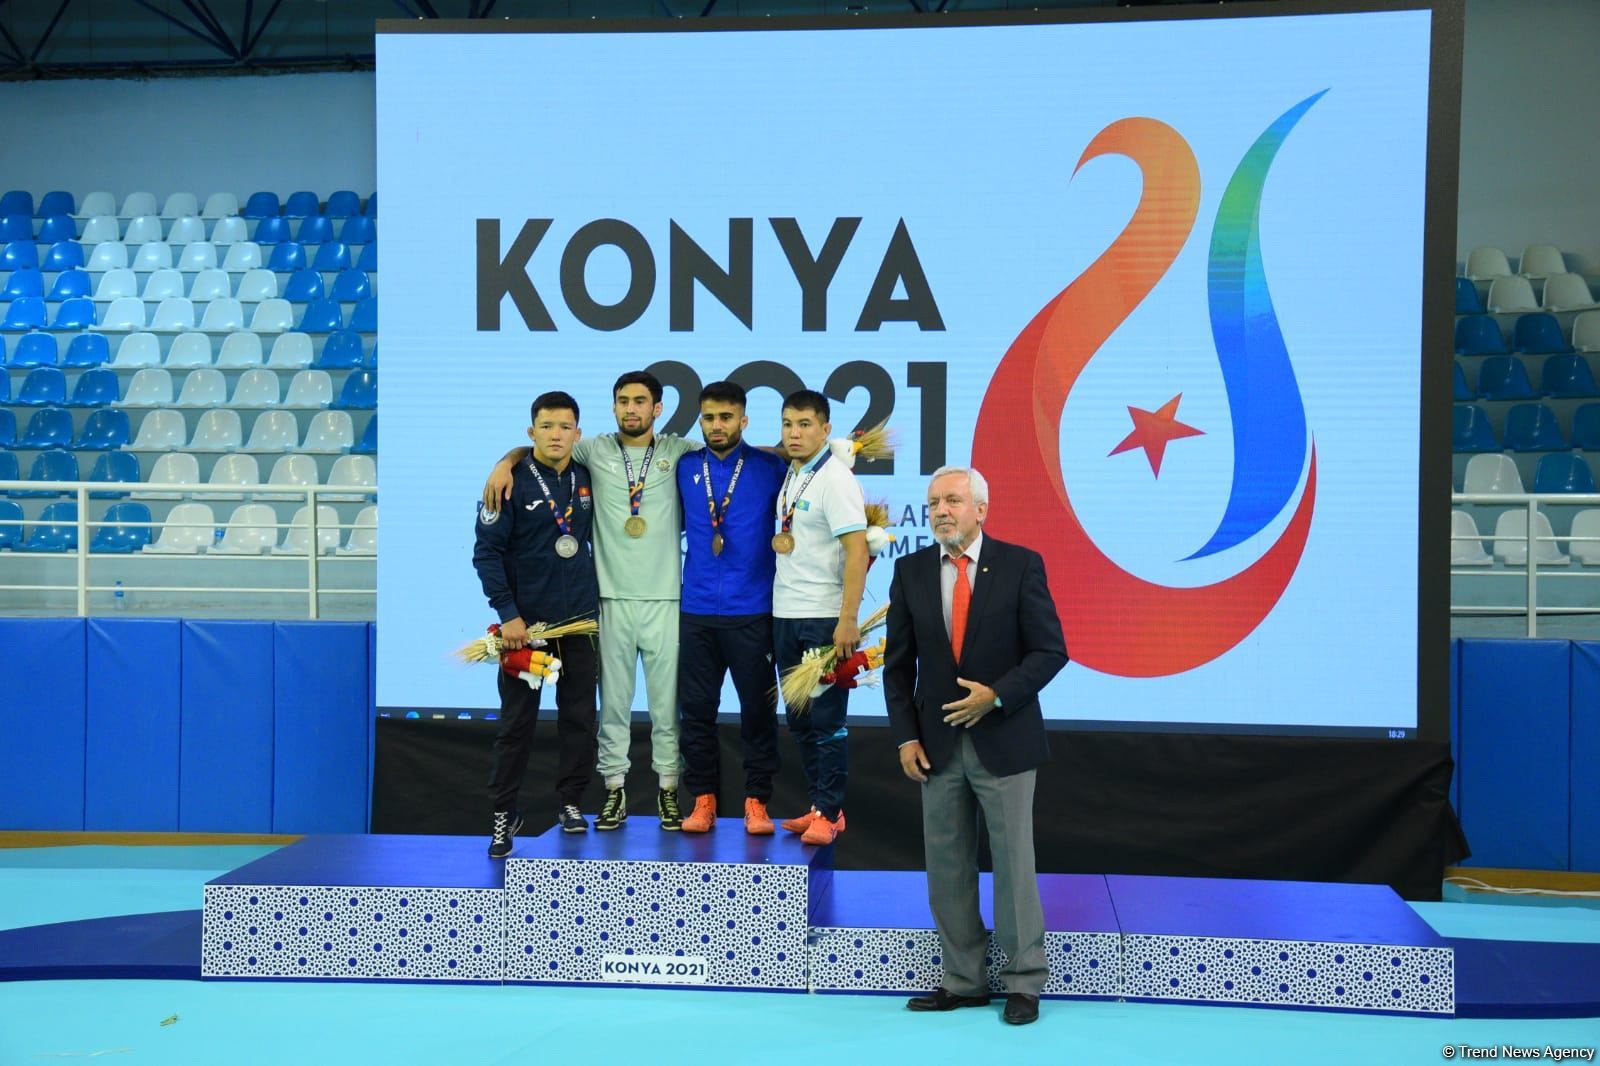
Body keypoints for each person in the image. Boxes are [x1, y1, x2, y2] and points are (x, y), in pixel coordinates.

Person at [883, 465, 1069, 1026]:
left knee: (1014, 865)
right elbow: (897, 668)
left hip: (1005, 741)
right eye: (935, 501)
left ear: (981, 509)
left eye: (954, 500)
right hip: (936, 747)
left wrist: (996, 696)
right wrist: (906, 736)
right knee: (947, 865)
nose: (942, 510)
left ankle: (1024, 982)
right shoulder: (910, 570)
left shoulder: (1019, 565)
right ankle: (963, 982)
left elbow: (1049, 651)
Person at [485, 372, 696, 831]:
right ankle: (614, 792)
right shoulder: (593, 450)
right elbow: (538, 449)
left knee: (666, 707)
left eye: (640, 401)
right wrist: (505, 462)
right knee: (611, 708)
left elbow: (737, 457)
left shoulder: (679, 451)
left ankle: (667, 791)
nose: (631, 409)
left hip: (665, 598)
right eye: (623, 401)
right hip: (606, 602)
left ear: (657, 408)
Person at [472, 391, 601, 856]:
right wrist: (508, 614)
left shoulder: (588, 477)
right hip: (526, 628)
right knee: (516, 725)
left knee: (579, 720)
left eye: (565, 427)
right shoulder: (508, 483)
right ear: (531, 433)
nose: (556, 435)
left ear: (577, 434)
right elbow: (486, 552)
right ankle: (504, 814)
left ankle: (570, 802)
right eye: (546, 426)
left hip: (580, 624)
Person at [675, 381, 790, 835]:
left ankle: (757, 800)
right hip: (698, 608)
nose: (716, 425)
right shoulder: (684, 467)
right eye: (708, 417)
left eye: (726, 417)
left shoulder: (771, 467)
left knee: (757, 712)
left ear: (743, 421)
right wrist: (510, 459)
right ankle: (702, 799)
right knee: (697, 710)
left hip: (753, 609)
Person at [770, 390, 868, 847]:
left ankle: (831, 811)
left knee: (827, 721)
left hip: (824, 618)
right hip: (785, 614)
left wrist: (847, 619)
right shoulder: (793, 474)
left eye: (805, 424)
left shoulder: (836, 479)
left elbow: (857, 551)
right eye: (788, 423)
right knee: (800, 721)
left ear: (826, 430)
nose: (795, 432)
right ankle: (817, 806)